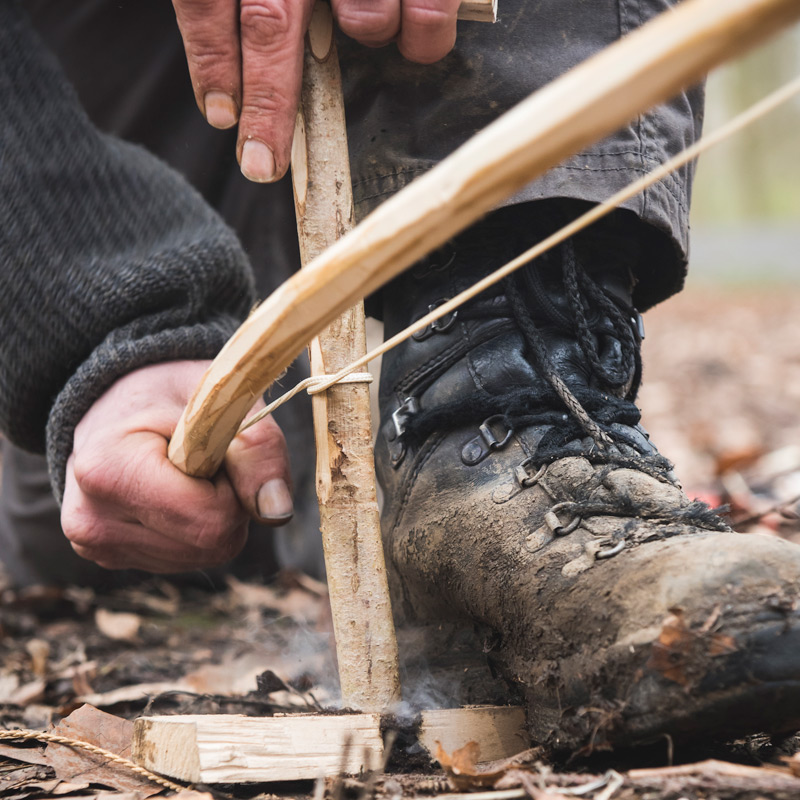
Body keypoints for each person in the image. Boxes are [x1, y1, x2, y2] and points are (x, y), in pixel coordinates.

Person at [2, 0, 800, 751]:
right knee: (152, 533)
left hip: (409, 79)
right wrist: (98, 321)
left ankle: (497, 431)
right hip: (89, 100)